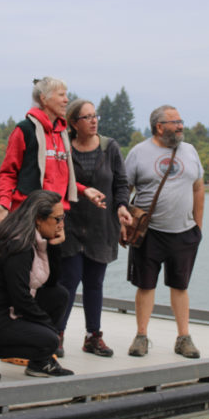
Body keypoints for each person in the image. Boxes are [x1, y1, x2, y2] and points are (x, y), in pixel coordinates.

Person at [0, 190, 73, 381]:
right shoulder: (19, 246)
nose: (62, 224)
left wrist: (55, 245)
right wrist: (50, 330)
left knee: (59, 295)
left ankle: (40, 363)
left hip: (8, 308)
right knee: (49, 341)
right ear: (39, 219)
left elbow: (51, 282)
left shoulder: (36, 239)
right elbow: (20, 297)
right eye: (58, 218)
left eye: (63, 217)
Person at [122, 105, 205, 359]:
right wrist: (124, 224)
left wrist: (198, 228)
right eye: (175, 122)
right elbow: (123, 191)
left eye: (181, 121)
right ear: (159, 127)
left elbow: (198, 188)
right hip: (149, 233)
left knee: (180, 286)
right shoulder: (139, 153)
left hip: (184, 232)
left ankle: (183, 338)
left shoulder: (189, 151)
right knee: (145, 285)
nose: (181, 126)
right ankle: (141, 336)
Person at [56, 99, 132, 358]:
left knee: (95, 283)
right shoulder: (64, 147)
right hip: (71, 225)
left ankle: (93, 336)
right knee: (69, 280)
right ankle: (57, 334)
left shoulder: (110, 147)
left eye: (95, 115)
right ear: (74, 123)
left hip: (102, 226)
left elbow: (121, 183)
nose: (93, 120)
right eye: (86, 117)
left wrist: (122, 206)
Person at [0, 77, 105, 231]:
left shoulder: (62, 133)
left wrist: (84, 190)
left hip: (55, 218)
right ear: (44, 99)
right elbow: (7, 173)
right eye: (61, 95)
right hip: (28, 217)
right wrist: (3, 203)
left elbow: (57, 179)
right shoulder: (25, 130)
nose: (66, 100)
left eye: (66, 95)